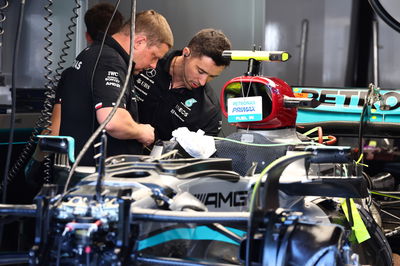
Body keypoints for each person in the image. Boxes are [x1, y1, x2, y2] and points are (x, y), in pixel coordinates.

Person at [24, 3, 126, 184]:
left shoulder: (72, 72)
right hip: (114, 170)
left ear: (87, 36)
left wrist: (33, 164)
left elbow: (54, 130)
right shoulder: (122, 67)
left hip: (78, 171)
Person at [58, 10, 173, 166]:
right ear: (139, 42)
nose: (153, 65)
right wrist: (142, 131)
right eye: (154, 56)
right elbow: (112, 120)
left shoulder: (93, 53)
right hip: (95, 177)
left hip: (82, 169)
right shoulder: (110, 60)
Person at [134, 28, 231, 141]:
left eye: (212, 76)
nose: (203, 81)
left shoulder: (209, 110)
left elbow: (202, 156)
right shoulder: (148, 62)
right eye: (200, 71)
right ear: (186, 53)